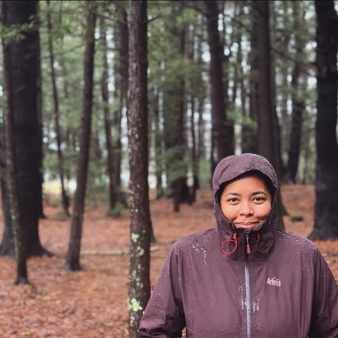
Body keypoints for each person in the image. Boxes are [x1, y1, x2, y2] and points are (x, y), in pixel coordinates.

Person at [138, 153, 338, 337]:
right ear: (219, 202)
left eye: (258, 199)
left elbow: (333, 329)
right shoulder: (188, 254)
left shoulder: (302, 255)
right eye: (233, 200)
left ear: (272, 200)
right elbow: (156, 330)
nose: (246, 210)